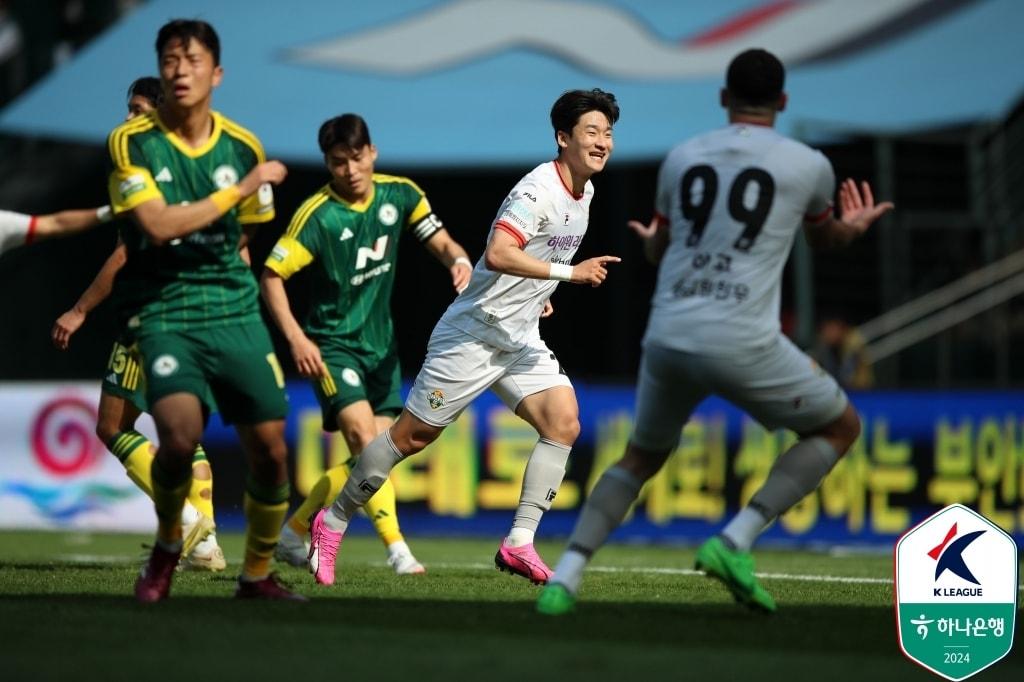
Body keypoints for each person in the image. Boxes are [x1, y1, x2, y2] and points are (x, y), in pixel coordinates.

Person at [537, 49, 893, 615]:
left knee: (638, 458)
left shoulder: (682, 158)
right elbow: (825, 240)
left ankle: (566, 578)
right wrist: (852, 228)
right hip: (744, 337)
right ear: (782, 102)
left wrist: (649, 241)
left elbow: (661, 245)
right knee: (840, 426)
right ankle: (735, 540)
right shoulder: (808, 164)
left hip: (669, 333)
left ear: (724, 99)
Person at [305, 88, 622, 586]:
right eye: (591, 132)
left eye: (607, 133)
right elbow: (497, 252)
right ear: (563, 138)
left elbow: (524, 262)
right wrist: (567, 274)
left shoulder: (586, 194)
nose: (602, 141)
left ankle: (519, 542)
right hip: (473, 335)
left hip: (519, 338)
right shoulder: (538, 189)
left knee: (563, 422)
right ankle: (334, 520)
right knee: (410, 438)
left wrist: (538, 292)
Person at [106, 19, 300, 601]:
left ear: (215, 73)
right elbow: (158, 226)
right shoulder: (131, 142)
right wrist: (237, 190)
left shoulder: (243, 147)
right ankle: (171, 544)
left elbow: (246, 240)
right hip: (166, 308)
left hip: (234, 312)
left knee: (270, 452)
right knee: (178, 435)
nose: (179, 70)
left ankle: (257, 575)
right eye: (170, 60)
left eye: (191, 60)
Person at [261, 114, 472, 576]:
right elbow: (272, 276)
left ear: (372, 152)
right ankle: (399, 551)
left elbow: (441, 242)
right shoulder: (318, 216)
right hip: (334, 348)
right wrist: (297, 338)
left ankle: (295, 532)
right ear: (327, 164)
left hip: (382, 350)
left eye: (357, 158)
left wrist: (458, 260)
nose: (351, 170)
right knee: (366, 440)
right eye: (339, 163)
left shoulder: (401, 194)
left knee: (377, 454)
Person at [52, 76, 225, 571]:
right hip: (198, 316)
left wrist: (79, 310)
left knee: (112, 426)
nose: (128, 118)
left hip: (149, 315)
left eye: (137, 109)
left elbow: (126, 253)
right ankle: (207, 540)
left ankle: (186, 518)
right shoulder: (199, 163)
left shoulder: (143, 171)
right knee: (182, 436)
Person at [811, 315, 873, 389]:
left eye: (832, 329)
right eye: (827, 330)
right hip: (834, 389)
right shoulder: (823, 345)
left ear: (841, 329)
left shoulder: (853, 344)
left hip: (859, 391)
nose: (829, 333)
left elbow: (847, 377)